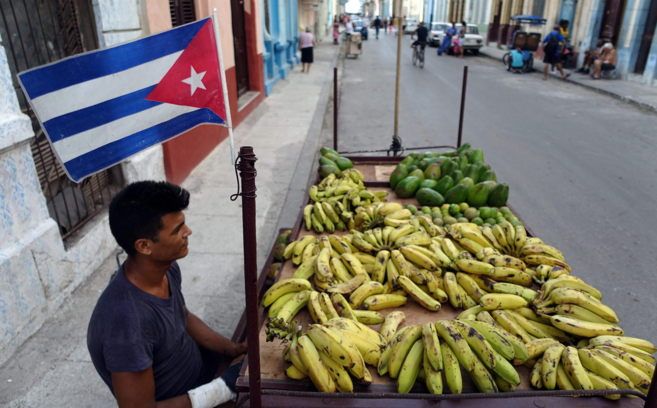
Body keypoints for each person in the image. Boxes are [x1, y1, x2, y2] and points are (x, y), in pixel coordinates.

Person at [87, 181, 247, 407]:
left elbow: (182, 315)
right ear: (144, 246)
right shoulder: (127, 323)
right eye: (177, 229)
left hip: (202, 374)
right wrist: (223, 388)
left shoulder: (167, 268)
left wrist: (232, 349)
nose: (188, 232)